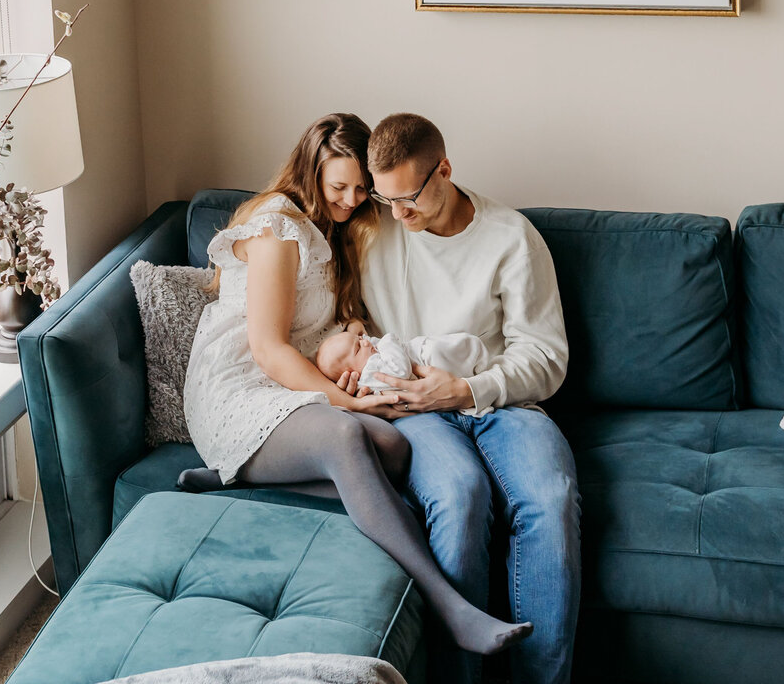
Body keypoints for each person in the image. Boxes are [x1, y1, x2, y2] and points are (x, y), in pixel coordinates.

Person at [179, 113, 532, 657]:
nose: (350, 200)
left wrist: (354, 333)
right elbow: (270, 350)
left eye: (360, 189)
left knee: (391, 448)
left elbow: (329, 321)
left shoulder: (342, 227)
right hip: (241, 385)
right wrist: (351, 403)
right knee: (351, 439)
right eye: (337, 186)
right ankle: (453, 608)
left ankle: (235, 476)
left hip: (296, 386)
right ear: (310, 172)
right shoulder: (277, 226)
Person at [355, 113, 580, 684]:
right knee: (458, 497)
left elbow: (547, 358)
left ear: (445, 171)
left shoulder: (511, 237)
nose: (398, 214)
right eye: (385, 200)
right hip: (414, 412)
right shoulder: (375, 229)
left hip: (503, 406)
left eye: (408, 198)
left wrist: (466, 388)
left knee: (550, 500)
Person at [315, 329, 492, 401]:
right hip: (424, 359)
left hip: (421, 357)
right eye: (358, 348)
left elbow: (373, 342)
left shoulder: (370, 360)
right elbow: (400, 371)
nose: (367, 343)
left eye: (360, 339)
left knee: (451, 349)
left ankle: (477, 361)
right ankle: (477, 363)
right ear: (351, 372)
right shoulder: (370, 374)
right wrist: (388, 340)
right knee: (439, 351)